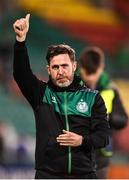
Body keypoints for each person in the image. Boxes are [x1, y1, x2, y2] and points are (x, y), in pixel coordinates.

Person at [13, 14, 109, 179]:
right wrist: (20, 41)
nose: (61, 71)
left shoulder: (93, 98)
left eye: (65, 66)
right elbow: (21, 74)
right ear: (49, 70)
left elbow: (103, 137)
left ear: (74, 66)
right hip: (48, 175)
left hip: (84, 175)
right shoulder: (41, 93)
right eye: (55, 67)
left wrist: (82, 140)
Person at [79, 46, 128, 179]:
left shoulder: (110, 89)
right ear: (80, 68)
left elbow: (123, 120)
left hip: (101, 154)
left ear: (101, 67)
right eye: (87, 73)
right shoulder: (72, 87)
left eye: (94, 73)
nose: (91, 78)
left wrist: (108, 118)